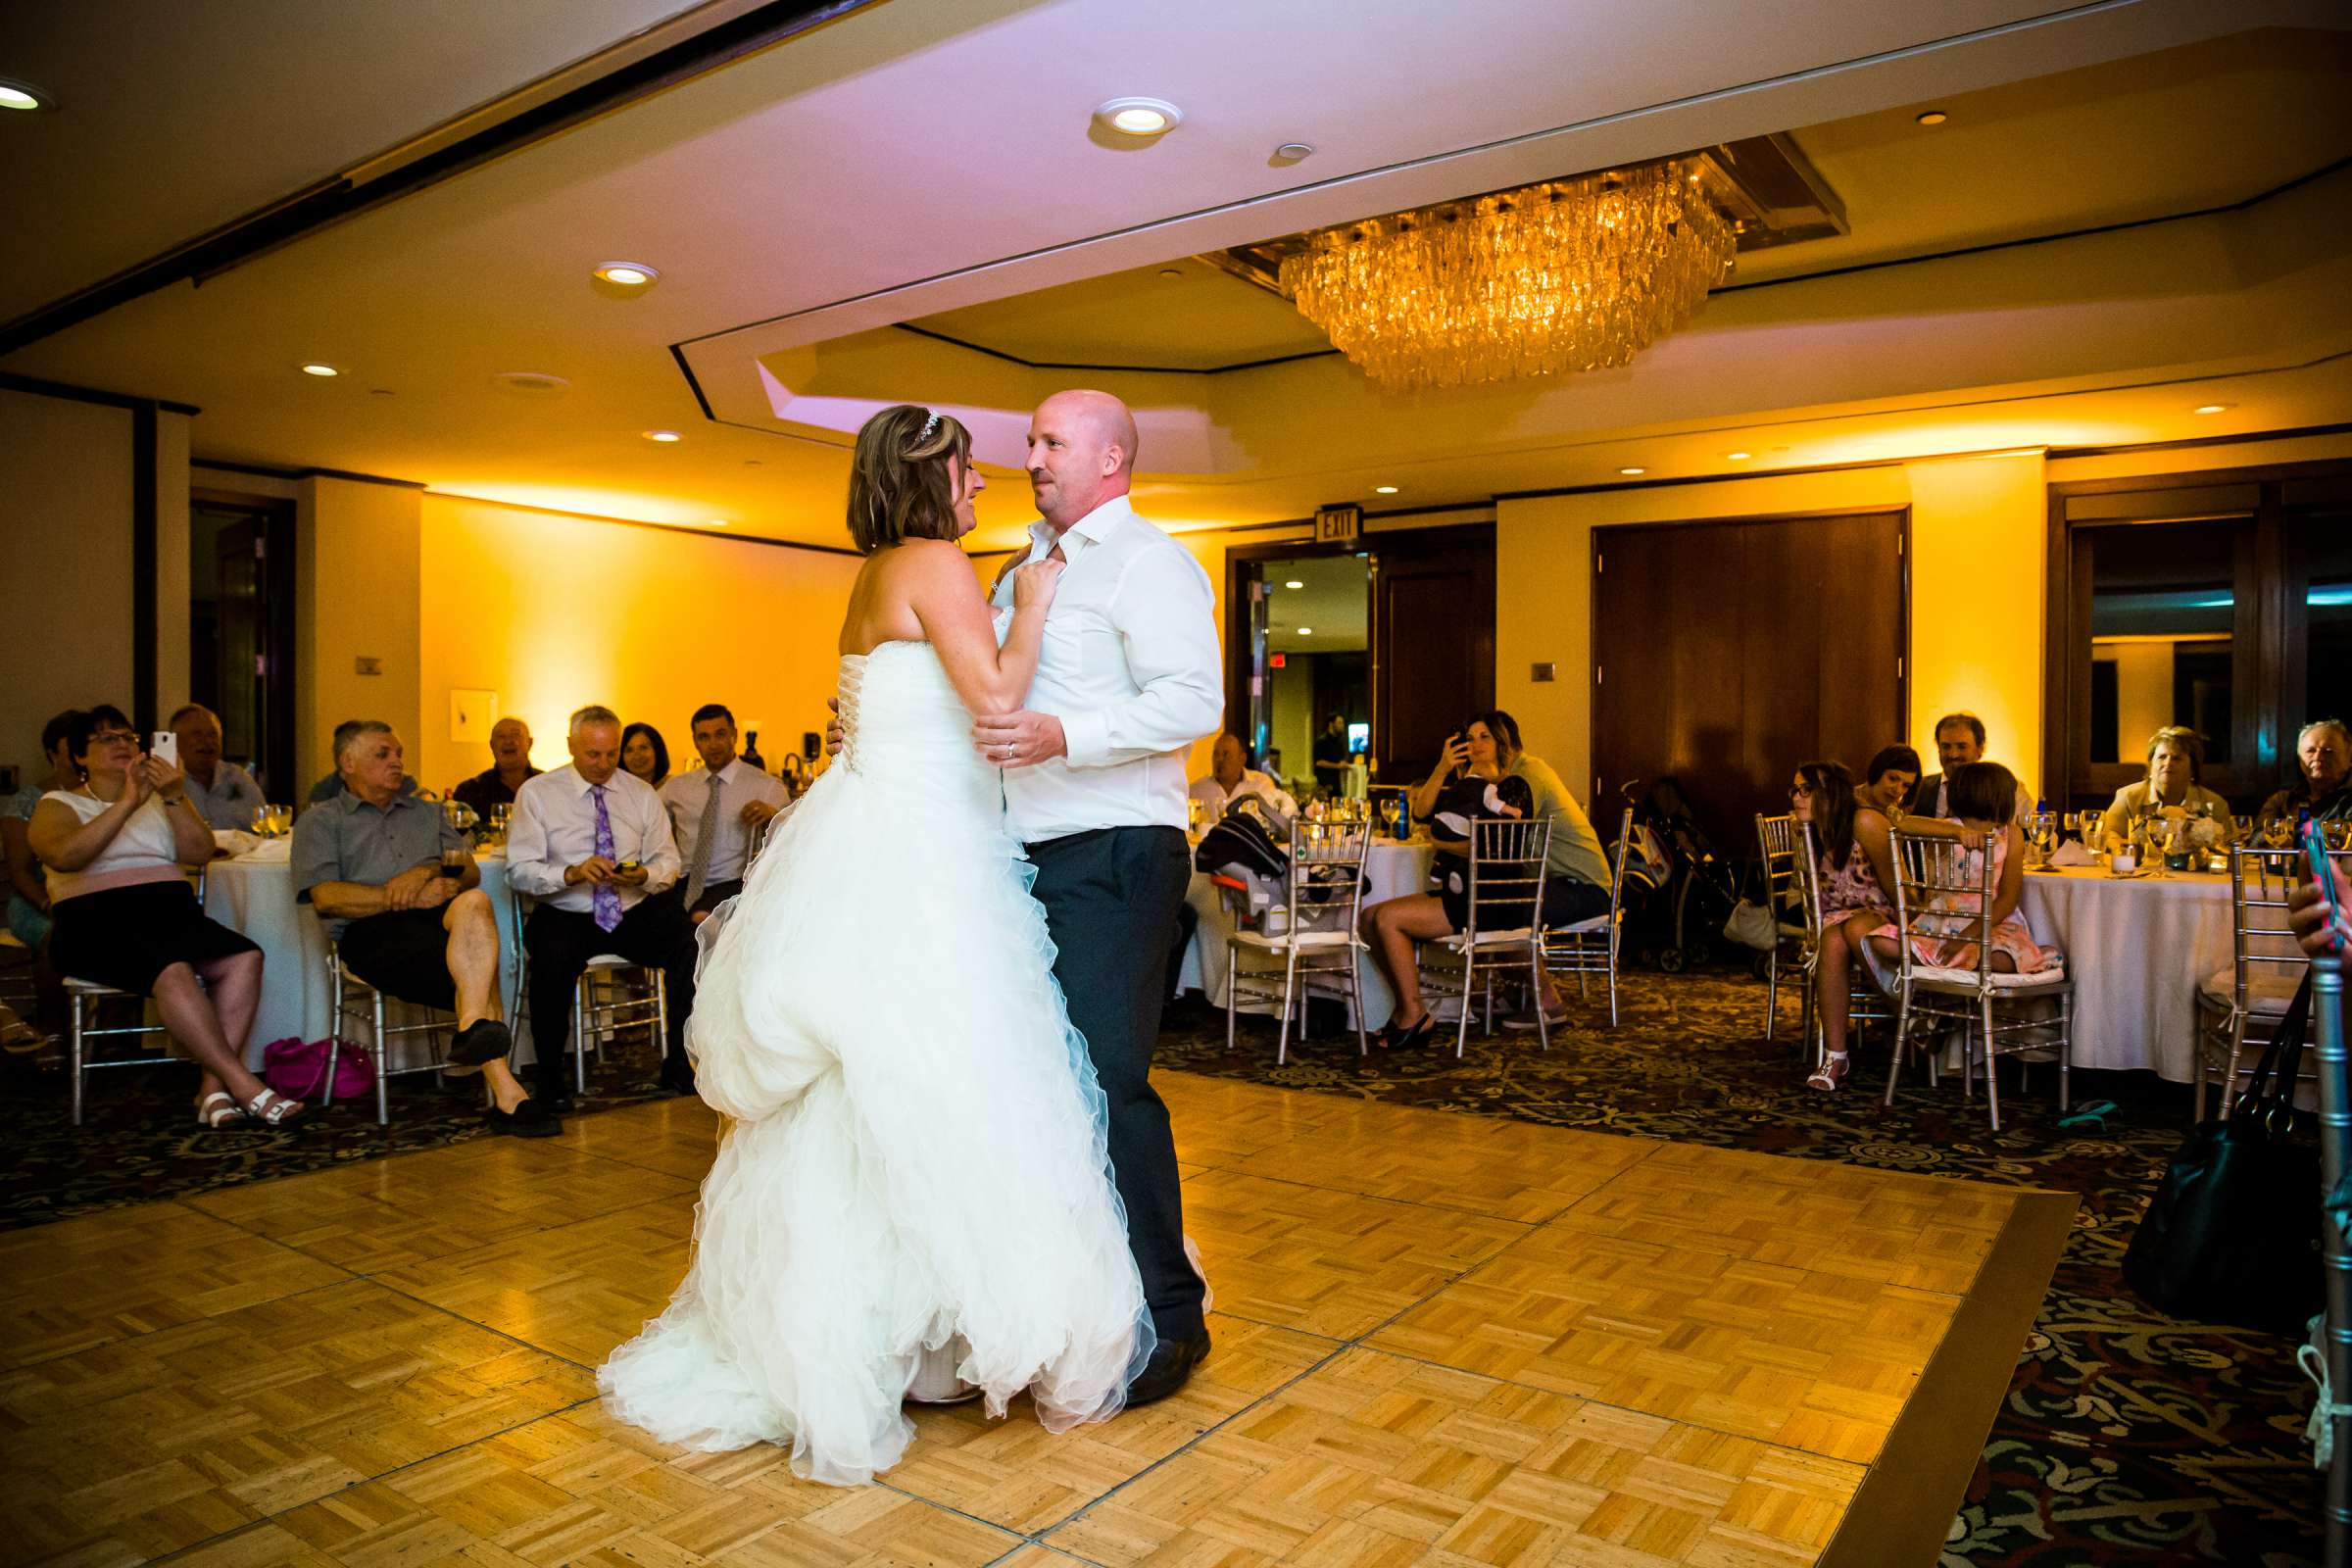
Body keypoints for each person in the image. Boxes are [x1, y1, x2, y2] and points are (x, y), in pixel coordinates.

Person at [603, 399, 1182, 1486]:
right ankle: (946, 1333)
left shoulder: (872, 573)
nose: (980, 484)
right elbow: (999, 696)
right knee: (951, 1085)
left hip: (883, 840)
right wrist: (1040, 601)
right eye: (965, 470)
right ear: (929, 480)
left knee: (874, 1100)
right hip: (931, 859)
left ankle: (903, 1340)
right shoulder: (934, 563)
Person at [26, 706, 299, 1127]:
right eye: (106, 738)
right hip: (94, 923)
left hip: (170, 914)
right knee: (172, 970)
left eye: (128, 737)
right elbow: (65, 856)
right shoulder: (58, 804)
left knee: (245, 957)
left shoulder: (163, 799)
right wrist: (125, 802)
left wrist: (173, 795)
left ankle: (211, 1091)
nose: (121, 743)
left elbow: (198, 852)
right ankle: (242, 1084)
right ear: (80, 756)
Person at [293, 721, 557, 1137]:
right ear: (348, 762)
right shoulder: (322, 821)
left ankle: (472, 1027)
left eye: (398, 752)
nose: (397, 761)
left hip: (436, 921)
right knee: (477, 964)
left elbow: (467, 869)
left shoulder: (427, 811)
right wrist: (395, 896)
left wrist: (425, 870)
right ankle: (508, 1095)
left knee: (476, 901)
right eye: (383, 754)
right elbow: (325, 896)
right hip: (371, 932)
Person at [1364, 711, 1610, 1045]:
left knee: (1510, 911)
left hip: (1579, 885)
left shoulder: (1525, 776)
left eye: (1485, 737)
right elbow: (1422, 813)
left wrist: (1441, 841)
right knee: (1369, 918)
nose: (1475, 744)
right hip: (1517, 881)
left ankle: (1544, 1001)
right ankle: (1422, 1006)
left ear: (1503, 741)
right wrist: (1443, 767)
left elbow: (1501, 848)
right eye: (1470, 737)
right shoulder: (1483, 782)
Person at [506, 706, 697, 1106]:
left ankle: (681, 1063)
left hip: (630, 906)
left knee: (688, 942)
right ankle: (551, 1078)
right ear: (571, 745)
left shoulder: (640, 793)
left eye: (612, 753)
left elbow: (669, 861)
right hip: (568, 908)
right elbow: (519, 871)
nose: (604, 764)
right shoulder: (538, 794)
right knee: (550, 958)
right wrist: (570, 873)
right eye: (593, 755)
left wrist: (643, 876)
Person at [1866, 760, 2060, 978]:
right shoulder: (1948, 828)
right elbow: (1904, 824)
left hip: (1988, 924)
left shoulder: (2010, 834)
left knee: (2000, 959)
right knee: (1880, 943)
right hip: (1943, 920)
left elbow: (2008, 898)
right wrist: (1953, 832)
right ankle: (1948, 962)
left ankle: (1945, 962)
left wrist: (1966, 936)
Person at [1789, 760, 1898, 1094]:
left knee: (1849, 931)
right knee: (1834, 939)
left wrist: (1916, 924)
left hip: (1887, 911)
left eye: (1806, 790)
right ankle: (1836, 1054)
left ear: (1831, 793)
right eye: (1794, 790)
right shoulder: (1811, 831)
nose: (1796, 797)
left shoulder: (1864, 821)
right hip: (1841, 918)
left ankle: (1899, 1007)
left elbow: (1897, 884)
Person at [660, 704, 790, 923]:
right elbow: (646, 820)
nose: (713, 744)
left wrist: (772, 815)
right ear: (695, 742)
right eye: (704, 737)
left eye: (720, 734)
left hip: (734, 883)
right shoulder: (676, 788)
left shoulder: (766, 786)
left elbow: (792, 838)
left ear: (734, 735)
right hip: (685, 882)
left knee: (701, 919)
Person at [6, 709, 81, 952]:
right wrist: (50, 906)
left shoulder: (108, 795)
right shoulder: (29, 800)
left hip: (89, 893)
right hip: (37, 899)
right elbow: (19, 872)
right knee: (61, 940)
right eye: (73, 743)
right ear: (52, 753)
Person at [2099, 726, 2235, 847]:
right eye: (2162, 757)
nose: (2168, 763)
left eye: (2176, 758)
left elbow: (2228, 846)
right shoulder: (2128, 797)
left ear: (2193, 768)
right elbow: (2109, 835)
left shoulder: (2215, 804)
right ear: (2151, 764)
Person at [1908, 711, 2035, 825]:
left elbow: (2037, 832)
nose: (1953, 754)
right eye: (1946, 746)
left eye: (1962, 747)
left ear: (1980, 749)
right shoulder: (1919, 787)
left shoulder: (2006, 787)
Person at [168, 705, 266, 831]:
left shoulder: (237, 777)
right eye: (197, 734)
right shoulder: (166, 783)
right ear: (175, 741)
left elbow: (265, 825)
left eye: (213, 734)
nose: (208, 741)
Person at [2256, 719, 2352, 831]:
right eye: (2310, 751)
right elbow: (2259, 841)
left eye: (2328, 751)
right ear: (2299, 759)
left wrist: (2289, 833)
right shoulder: (2282, 801)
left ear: (2349, 758)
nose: (2318, 757)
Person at [308, 720, 425, 805]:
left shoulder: (405, 784)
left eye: (399, 755)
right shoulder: (324, 790)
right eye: (382, 755)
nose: (398, 763)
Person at [1190, 733, 1296, 821]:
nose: (1219, 760)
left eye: (1226, 754)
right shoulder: (1196, 790)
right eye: (1216, 754)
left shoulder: (1261, 784)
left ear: (1242, 759)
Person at [451, 716, 540, 817]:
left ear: (530, 743)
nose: (508, 741)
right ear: (492, 745)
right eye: (501, 736)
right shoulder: (471, 790)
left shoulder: (547, 785)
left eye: (515, 734)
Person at [1855, 744, 1920, 820]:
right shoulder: (1846, 801)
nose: (1897, 790)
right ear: (1878, 770)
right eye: (1892, 779)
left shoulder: (1895, 814)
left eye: (1906, 785)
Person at [620, 721, 670, 791]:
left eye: (643, 748)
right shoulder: (616, 792)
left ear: (657, 750)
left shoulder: (673, 788)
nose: (637, 756)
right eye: (629, 750)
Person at [1310, 712, 1350, 795]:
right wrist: (1338, 766)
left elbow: (1339, 760)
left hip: (1338, 783)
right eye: (1339, 723)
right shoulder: (1321, 741)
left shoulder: (1339, 742)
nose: (1342, 725)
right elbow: (1319, 762)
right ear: (1331, 724)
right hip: (1325, 784)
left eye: (1343, 723)